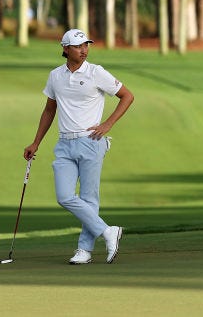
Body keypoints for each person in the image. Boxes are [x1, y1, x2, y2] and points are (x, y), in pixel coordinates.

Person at [23, 28, 135, 265]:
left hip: (91, 142)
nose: (84, 50)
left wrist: (108, 124)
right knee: (64, 196)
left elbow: (127, 96)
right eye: (78, 46)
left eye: (86, 45)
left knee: (89, 198)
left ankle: (84, 250)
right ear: (65, 49)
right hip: (64, 143)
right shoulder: (55, 76)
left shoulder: (97, 72)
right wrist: (36, 141)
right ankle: (107, 231)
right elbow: (49, 110)